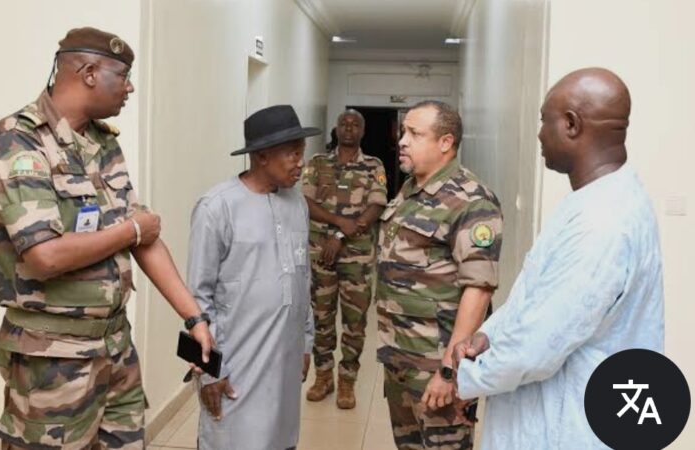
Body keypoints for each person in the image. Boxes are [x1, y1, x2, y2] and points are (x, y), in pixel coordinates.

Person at [0, 27, 213, 449]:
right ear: (88, 72)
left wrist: (193, 318)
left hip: (115, 348)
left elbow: (144, 239)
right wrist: (132, 229)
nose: (130, 86)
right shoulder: (18, 141)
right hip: (54, 359)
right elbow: (44, 256)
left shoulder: (101, 143)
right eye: (122, 75)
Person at [453, 68, 664, 450]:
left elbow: (536, 348)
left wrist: (464, 376)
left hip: (568, 430)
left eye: (542, 121)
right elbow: (535, 302)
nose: (538, 134)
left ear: (571, 124)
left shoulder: (601, 223)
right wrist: (489, 334)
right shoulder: (602, 200)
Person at [187, 105, 320, 450]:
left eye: (301, 153)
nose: (300, 162)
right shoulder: (217, 207)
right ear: (261, 156)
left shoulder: (297, 204)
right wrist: (212, 371)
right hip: (237, 365)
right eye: (292, 154)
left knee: (281, 440)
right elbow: (196, 300)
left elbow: (302, 279)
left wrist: (306, 342)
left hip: (285, 360)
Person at [377, 101, 503, 450]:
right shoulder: (409, 191)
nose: (402, 140)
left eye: (414, 134)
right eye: (404, 132)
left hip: (437, 365)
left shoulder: (471, 200)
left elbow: (479, 290)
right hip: (401, 361)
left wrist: (449, 371)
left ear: (445, 143)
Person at [301, 109, 387, 408]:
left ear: (363, 132)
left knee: (355, 322)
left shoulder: (373, 165)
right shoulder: (317, 163)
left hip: (358, 258)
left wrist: (341, 236)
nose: (348, 129)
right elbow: (307, 201)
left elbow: (376, 205)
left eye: (355, 125)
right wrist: (340, 223)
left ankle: (347, 381)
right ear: (335, 129)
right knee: (322, 319)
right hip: (321, 256)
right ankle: (323, 377)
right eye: (343, 124)